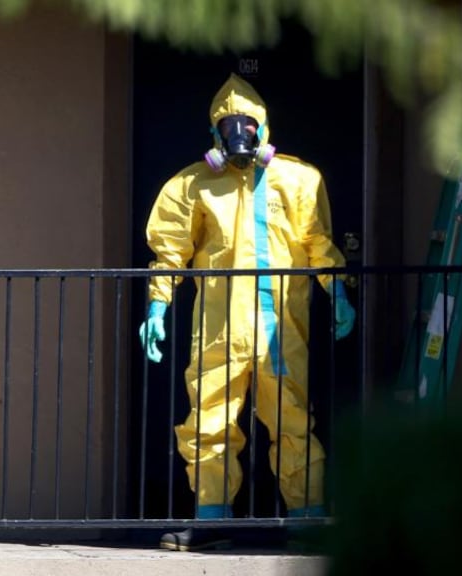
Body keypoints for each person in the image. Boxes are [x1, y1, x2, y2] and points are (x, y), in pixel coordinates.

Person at [140, 72, 356, 551]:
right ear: (215, 132)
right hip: (219, 327)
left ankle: (308, 518)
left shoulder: (300, 179)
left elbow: (318, 243)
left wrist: (337, 290)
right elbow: (170, 250)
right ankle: (211, 519)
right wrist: (157, 303)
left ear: (263, 128)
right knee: (209, 422)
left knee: (292, 419)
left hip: (282, 326)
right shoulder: (191, 185)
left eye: (248, 124)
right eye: (229, 125)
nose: (240, 134)